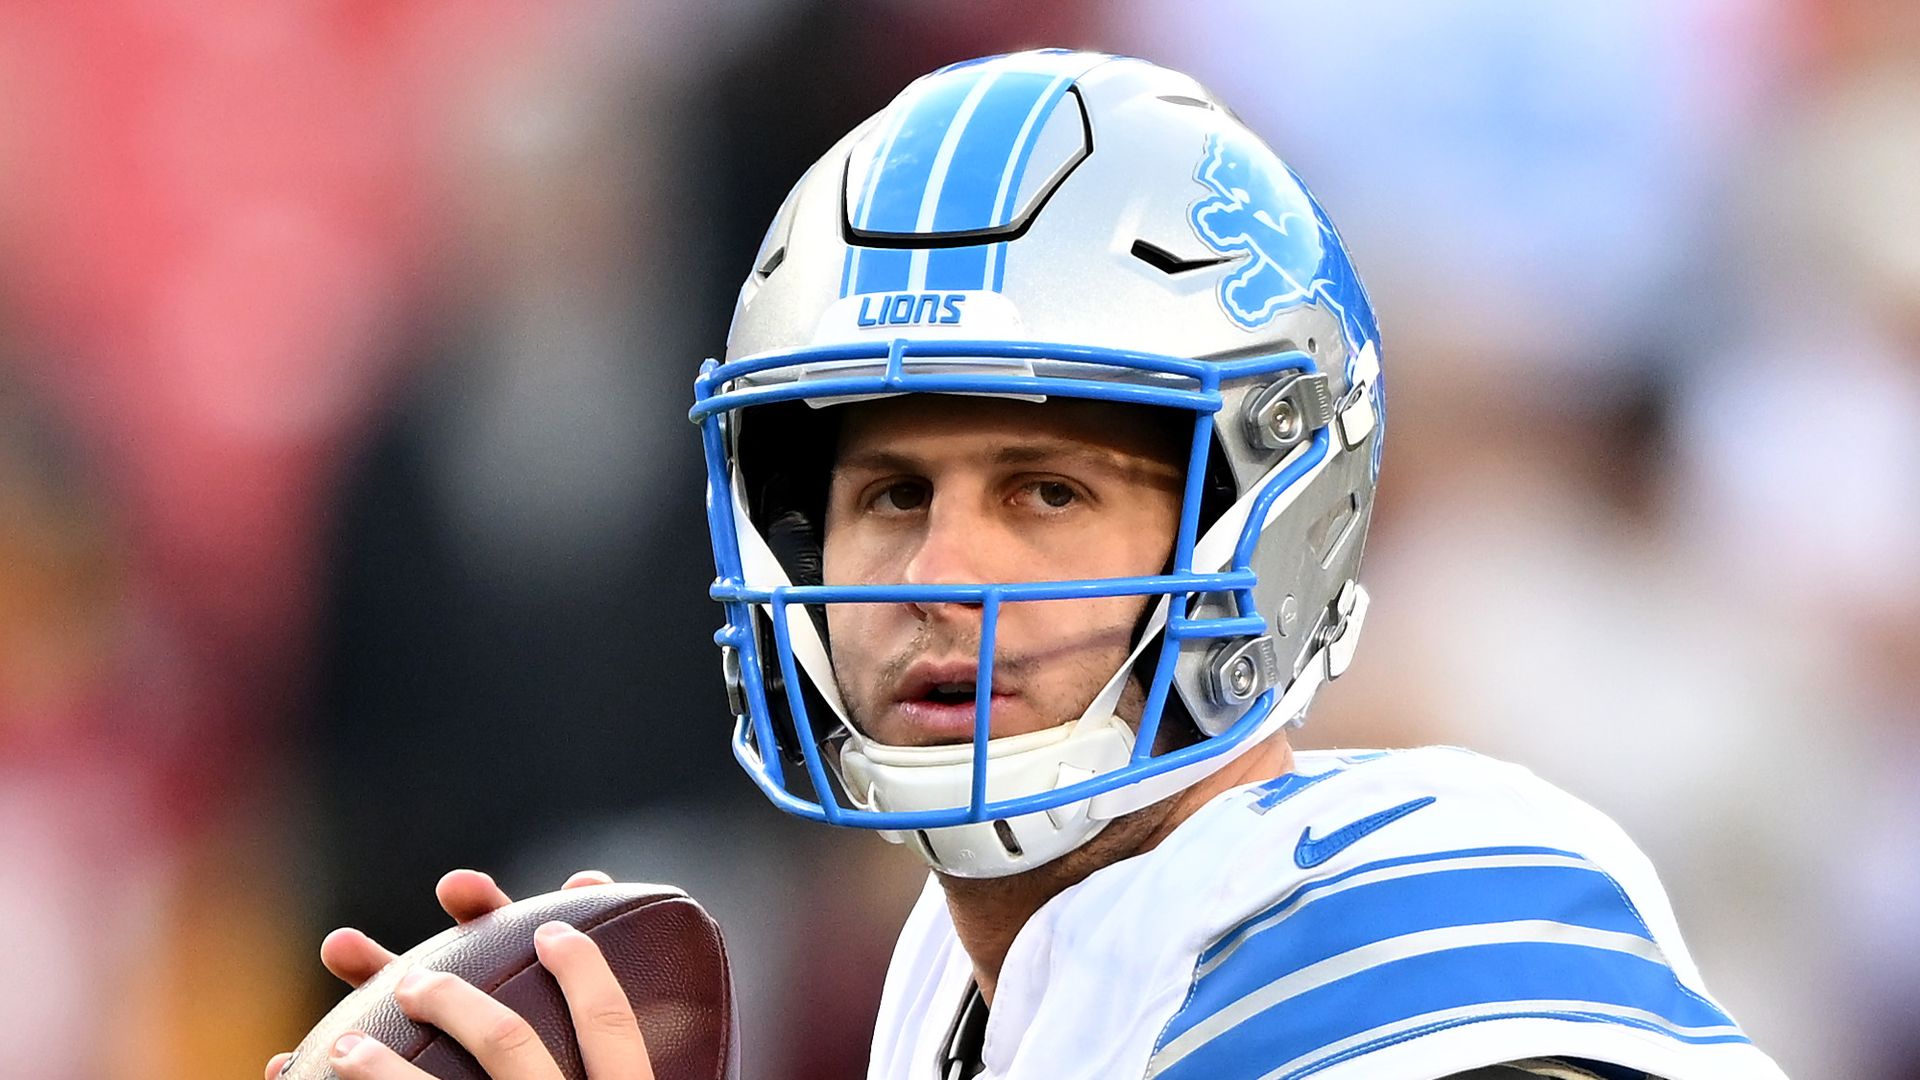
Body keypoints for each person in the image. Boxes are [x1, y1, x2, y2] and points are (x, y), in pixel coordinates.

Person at [270, 50, 1790, 1080]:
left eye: (1047, 492)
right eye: (888, 494)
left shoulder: (1422, 955)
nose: (937, 570)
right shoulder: (961, 989)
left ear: (1267, 523)